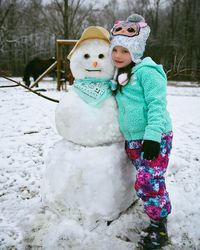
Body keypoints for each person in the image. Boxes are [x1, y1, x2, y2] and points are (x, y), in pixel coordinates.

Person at [109, 14, 173, 249]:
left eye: (124, 51)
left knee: (149, 181)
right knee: (147, 180)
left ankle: (159, 225)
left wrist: (153, 136)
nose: (118, 56)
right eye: (115, 50)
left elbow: (157, 105)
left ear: (135, 51)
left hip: (154, 137)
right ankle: (155, 211)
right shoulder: (121, 74)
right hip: (134, 140)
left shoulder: (147, 72)